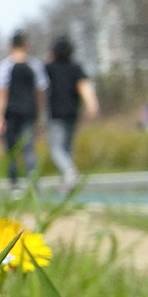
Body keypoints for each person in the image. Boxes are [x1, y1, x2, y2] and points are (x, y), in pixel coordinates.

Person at [0, 30, 49, 194]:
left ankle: (14, 185)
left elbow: (1, 94)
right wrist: (39, 116)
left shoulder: (4, 67)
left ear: (10, 46)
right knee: (29, 148)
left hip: (10, 114)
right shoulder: (35, 65)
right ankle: (33, 181)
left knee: (11, 150)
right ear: (26, 45)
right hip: (29, 113)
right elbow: (40, 93)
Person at [44, 36, 99, 192]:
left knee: (56, 149)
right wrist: (92, 104)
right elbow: (85, 86)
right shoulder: (75, 68)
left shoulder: (50, 68)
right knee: (67, 148)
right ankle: (67, 184)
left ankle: (69, 171)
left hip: (56, 114)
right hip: (72, 113)